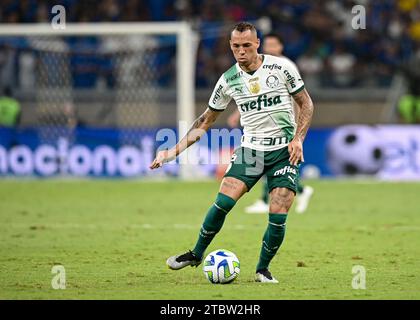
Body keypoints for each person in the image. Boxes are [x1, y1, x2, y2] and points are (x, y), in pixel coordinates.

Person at [150, 22, 314, 283]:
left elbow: (306, 103)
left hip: (284, 151)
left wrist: (299, 139)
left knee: (280, 205)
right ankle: (196, 253)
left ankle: (262, 269)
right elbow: (206, 120)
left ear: (257, 43)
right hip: (251, 151)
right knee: (224, 200)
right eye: (236, 46)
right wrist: (173, 151)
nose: (241, 52)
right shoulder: (228, 79)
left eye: (246, 45)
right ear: (230, 46)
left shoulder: (282, 68)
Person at [227, 32, 314, 215]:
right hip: (263, 124)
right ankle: (296, 192)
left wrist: (297, 133)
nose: (270, 48)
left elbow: (300, 99)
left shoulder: (286, 66)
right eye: (268, 45)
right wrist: (237, 114)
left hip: (283, 126)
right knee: (267, 165)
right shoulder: (258, 66)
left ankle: (270, 199)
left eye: (274, 45)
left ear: (281, 47)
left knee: (272, 165)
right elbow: (254, 95)